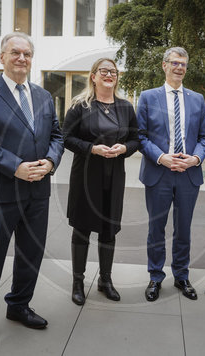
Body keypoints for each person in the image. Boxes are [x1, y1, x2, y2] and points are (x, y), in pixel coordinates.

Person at [0, 32, 64, 350]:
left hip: (38, 191)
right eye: (15, 52)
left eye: (27, 53)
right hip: (1, 191)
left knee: (30, 255)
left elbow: (57, 136)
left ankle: (18, 305)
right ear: (2, 57)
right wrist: (16, 166)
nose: (22, 58)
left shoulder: (44, 96)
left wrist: (50, 161)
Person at [63, 58, 140, 305]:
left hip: (114, 176)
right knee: (82, 229)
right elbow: (66, 138)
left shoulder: (126, 107)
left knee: (109, 229)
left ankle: (105, 280)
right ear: (93, 76)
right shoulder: (79, 106)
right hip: (86, 176)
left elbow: (136, 139)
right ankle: (77, 282)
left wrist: (123, 148)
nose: (110, 75)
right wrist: (92, 149)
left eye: (114, 71)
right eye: (104, 71)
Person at [137, 47, 205, 302]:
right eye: (175, 63)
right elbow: (141, 135)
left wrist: (196, 158)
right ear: (164, 65)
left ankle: (181, 275)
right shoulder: (147, 97)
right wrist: (162, 157)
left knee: (184, 229)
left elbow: (204, 137)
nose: (179, 67)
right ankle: (155, 277)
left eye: (184, 64)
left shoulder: (197, 99)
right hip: (159, 172)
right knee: (156, 228)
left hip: (188, 174)